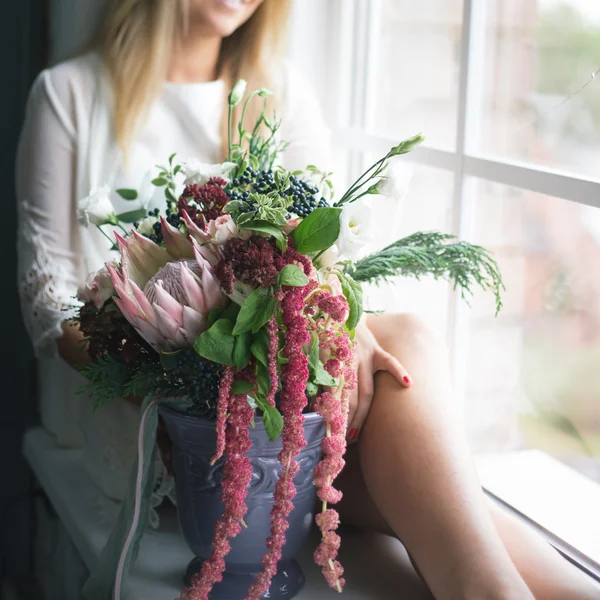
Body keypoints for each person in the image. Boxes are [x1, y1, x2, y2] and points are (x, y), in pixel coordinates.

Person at [16, 1, 599, 599]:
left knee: (405, 344)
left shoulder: (280, 91)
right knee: (432, 486)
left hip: (280, 402)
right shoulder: (69, 94)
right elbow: (50, 311)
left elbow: (326, 259)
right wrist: (202, 373)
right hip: (161, 417)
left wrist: (344, 329)